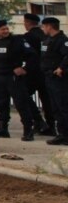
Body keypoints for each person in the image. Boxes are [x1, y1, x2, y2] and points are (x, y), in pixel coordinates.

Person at [0, 19, 35, 140]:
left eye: (6, 28)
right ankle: (2, 128)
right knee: (1, 103)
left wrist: (25, 69)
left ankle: (28, 129)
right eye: (2, 29)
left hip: (13, 77)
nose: (5, 31)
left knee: (21, 103)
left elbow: (32, 55)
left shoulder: (17, 40)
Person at [23, 13, 56, 136]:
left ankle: (39, 121)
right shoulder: (45, 36)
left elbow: (28, 55)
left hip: (32, 72)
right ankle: (51, 126)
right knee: (47, 100)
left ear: (27, 23)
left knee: (23, 95)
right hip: (46, 72)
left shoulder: (28, 37)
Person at [39, 17, 68, 146]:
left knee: (63, 106)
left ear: (49, 26)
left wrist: (61, 67)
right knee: (55, 107)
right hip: (48, 77)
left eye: (44, 26)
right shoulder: (47, 40)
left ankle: (66, 135)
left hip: (59, 79)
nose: (43, 29)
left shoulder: (62, 40)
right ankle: (61, 134)